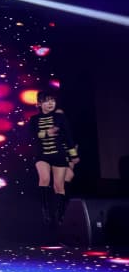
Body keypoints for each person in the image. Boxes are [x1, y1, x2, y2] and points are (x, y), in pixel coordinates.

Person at [29, 91, 79, 226]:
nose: (50, 103)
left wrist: (73, 155)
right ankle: (45, 211)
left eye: (53, 100)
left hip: (59, 154)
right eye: (47, 101)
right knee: (44, 178)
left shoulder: (60, 117)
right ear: (39, 104)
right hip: (42, 154)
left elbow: (68, 136)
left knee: (59, 186)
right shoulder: (34, 119)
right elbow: (32, 135)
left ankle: (60, 214)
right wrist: (47, 133)